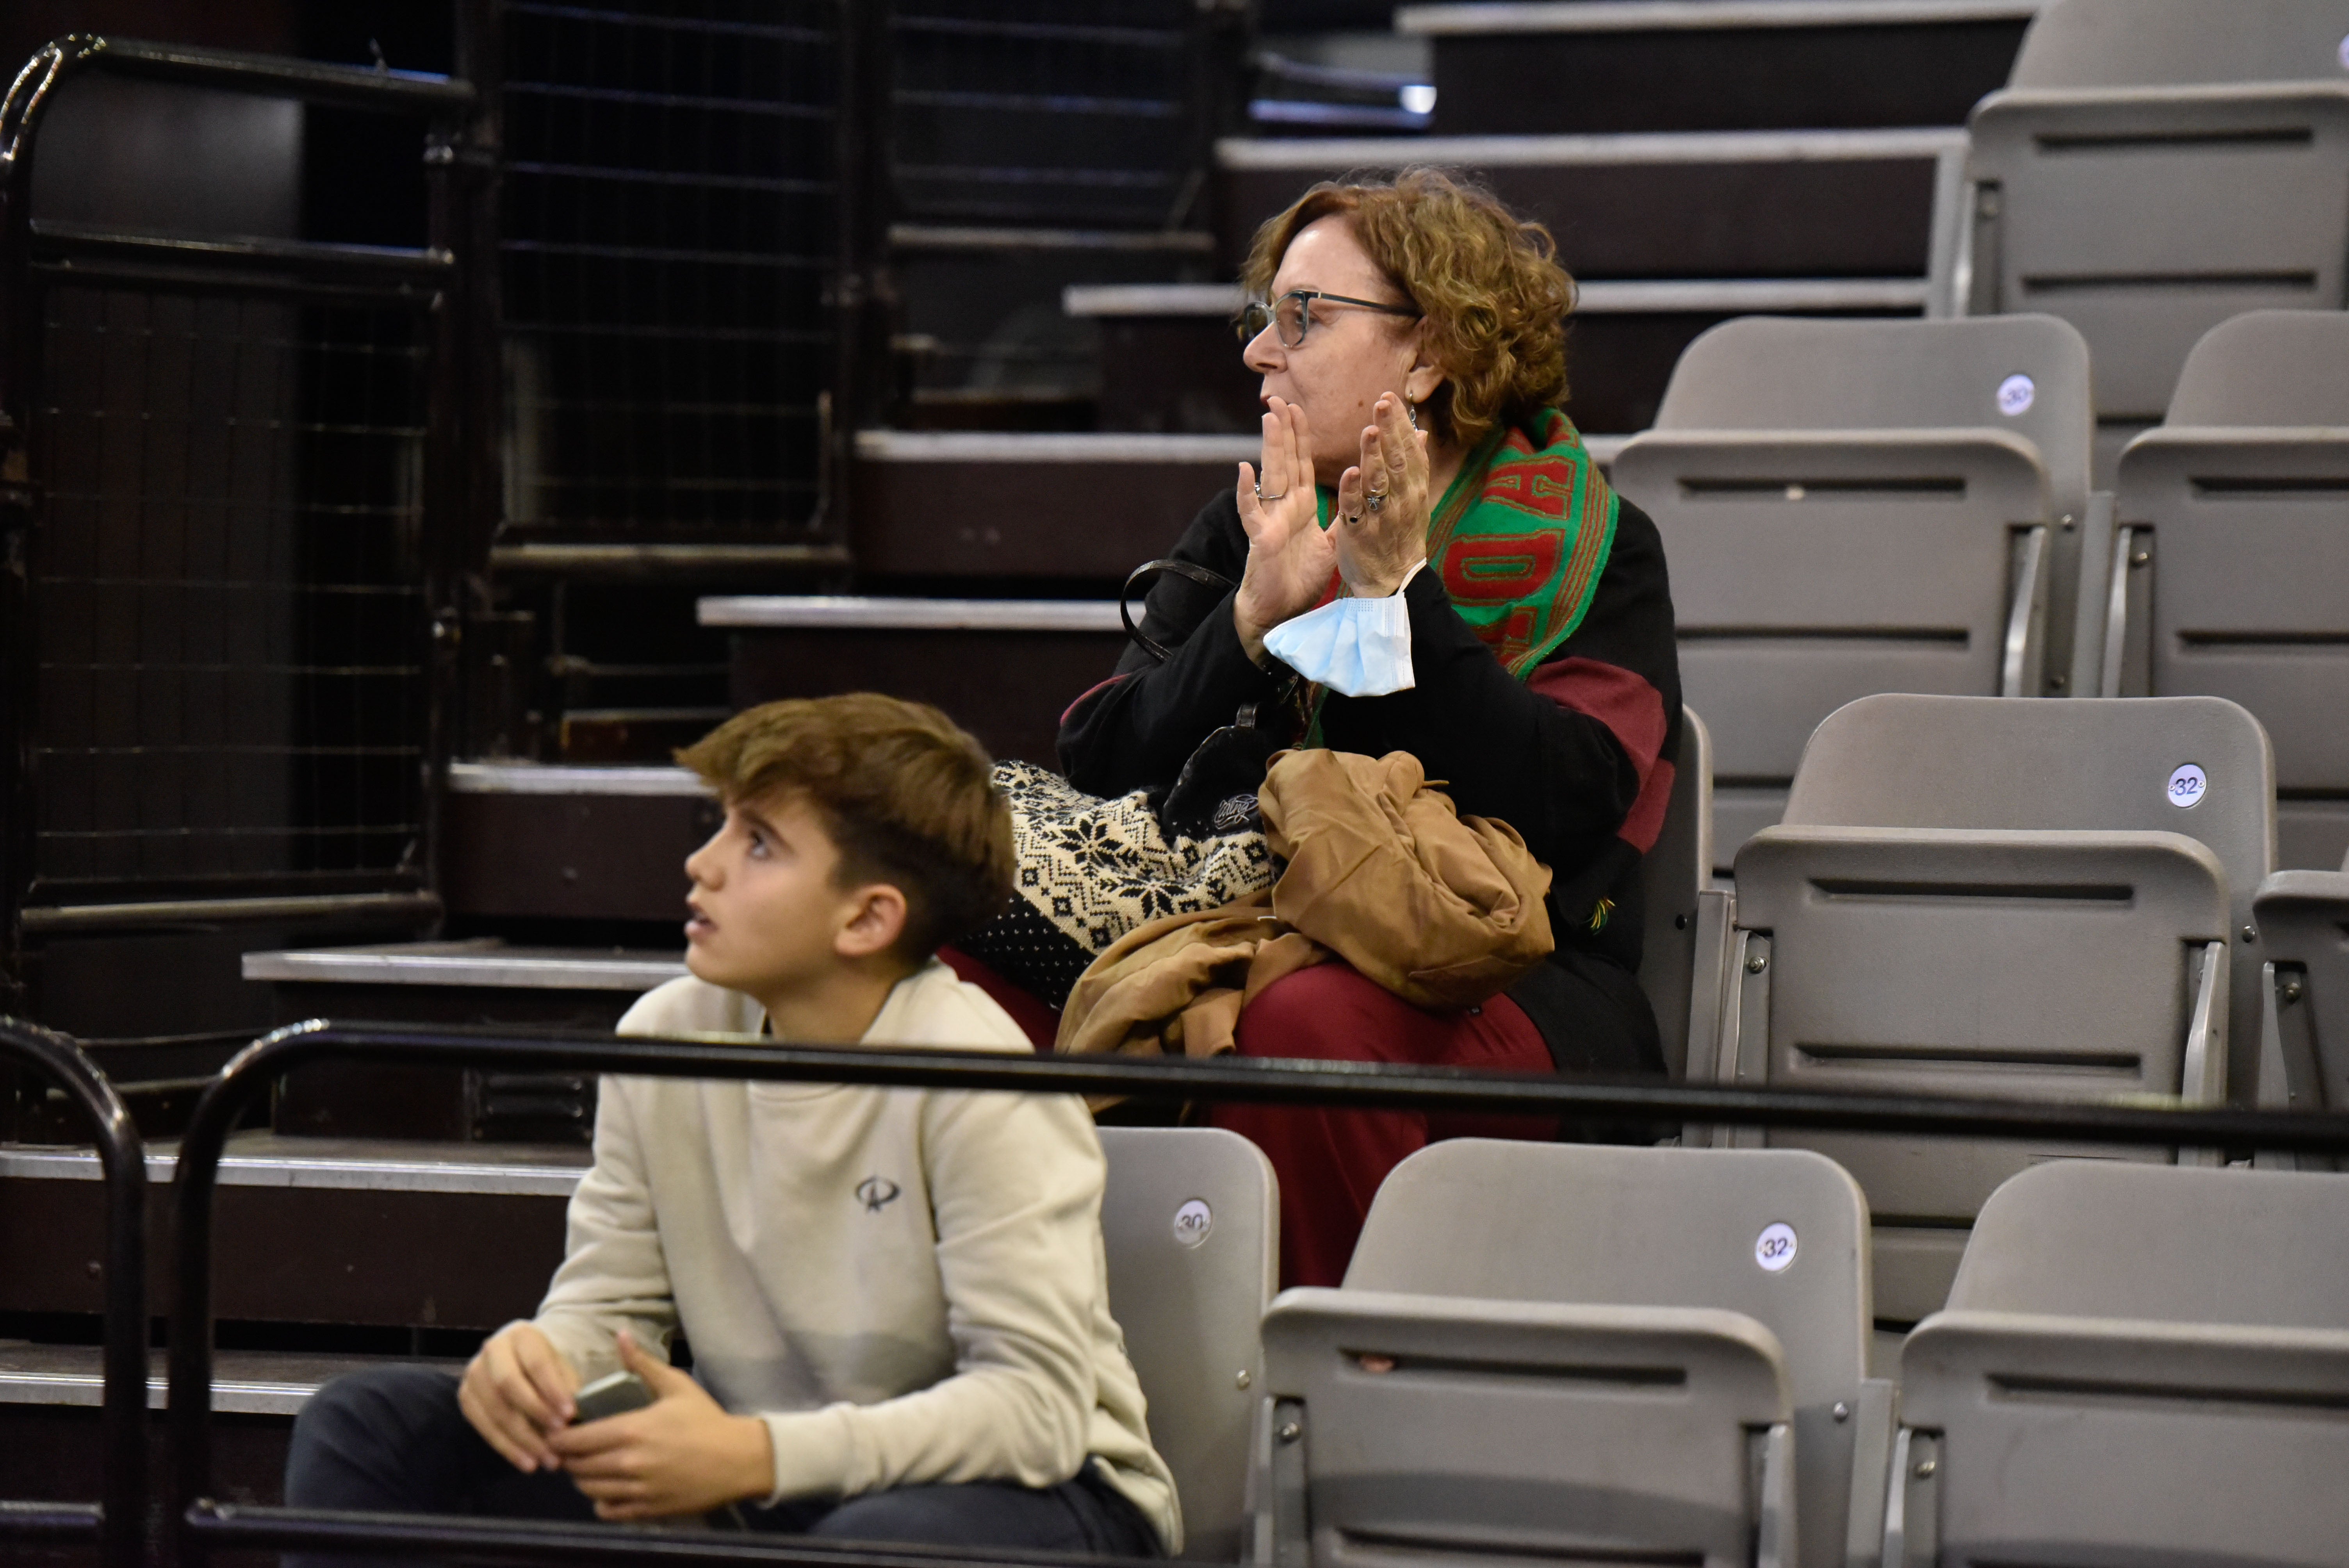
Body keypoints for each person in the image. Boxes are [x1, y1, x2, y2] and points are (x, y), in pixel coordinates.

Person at [283, 695, 1179, 1562]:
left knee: (862, 1547)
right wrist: (540, 1359)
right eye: (720, 825)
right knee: (370, 1426)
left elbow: (1037, 1412)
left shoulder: (978, 1075)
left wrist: (754, 1453)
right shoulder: (664, 1036)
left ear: (867, 918)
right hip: (767, 1479)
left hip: (1053, 1498)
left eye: (758, 844)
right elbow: (607, 1307)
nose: (702, 866)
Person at [1058, 168, 1682, 1288]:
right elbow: (1102, 764)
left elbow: (1574, 803)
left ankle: (1319, 1403)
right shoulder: (1261, 515)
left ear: (1430, 354)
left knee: (1303, 1023)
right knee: (955, 968)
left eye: (1303, 318)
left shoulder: (1595, 544)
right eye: (1265, 317)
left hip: (1514, 975)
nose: (1261, 352)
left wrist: (1404, 602)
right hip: (1245, 912)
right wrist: (1249, 621)